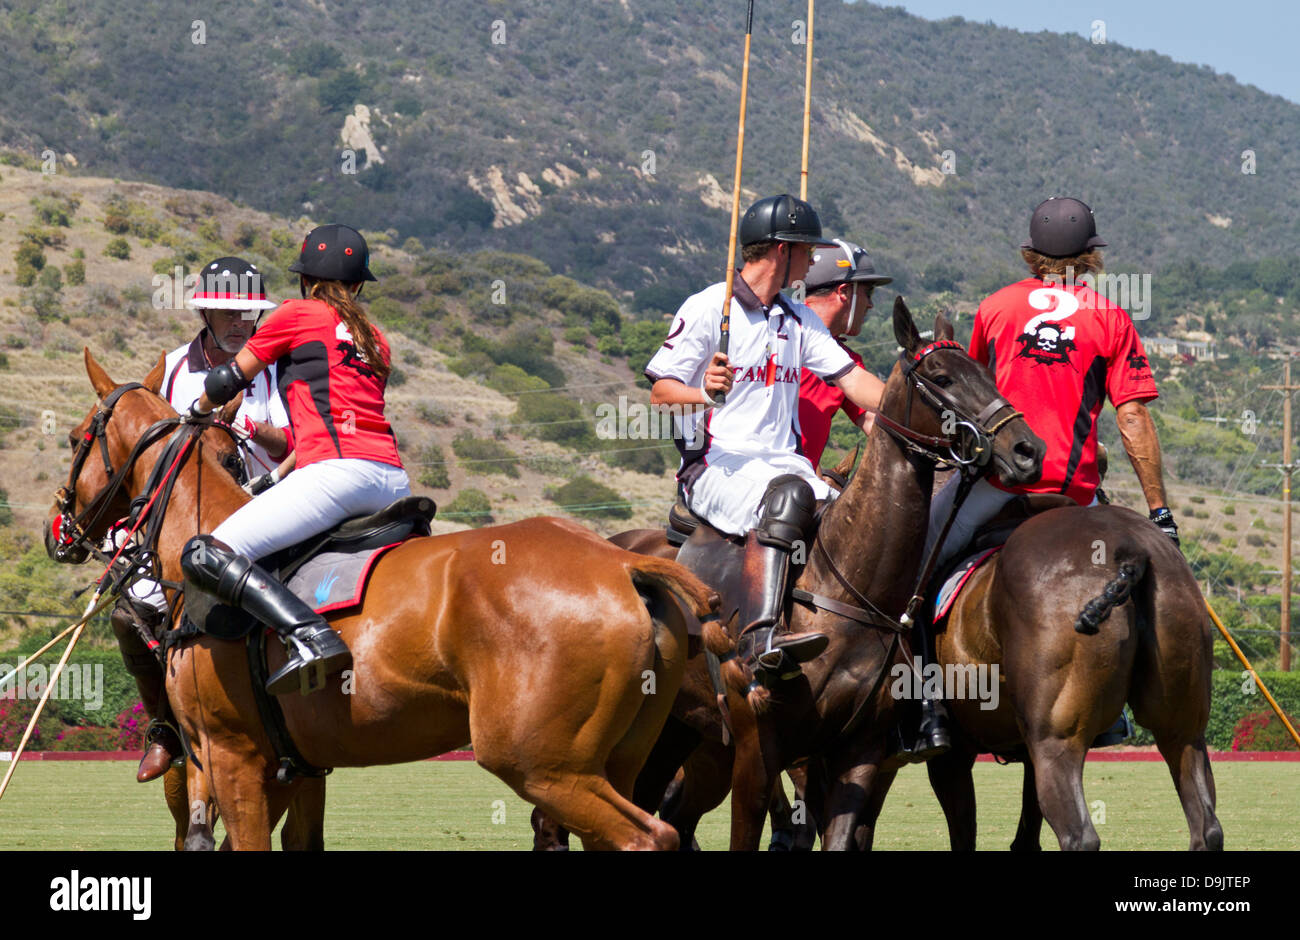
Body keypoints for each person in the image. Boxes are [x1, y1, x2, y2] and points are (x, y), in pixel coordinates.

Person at [921, 196, 1179, 747]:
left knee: (913, 564)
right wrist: (1159, 511)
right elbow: (1132, 418)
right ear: (1090, 256)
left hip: (996, 486)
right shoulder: (1110, 317)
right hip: (1073, 491)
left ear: (1031, 253)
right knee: (1130, 585)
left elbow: (974, 400)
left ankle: (924, 709)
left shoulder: (994, 309)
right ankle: (1112, 713)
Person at [645, 194, 886, 682]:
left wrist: (916, 406)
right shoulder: (711, 307)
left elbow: (854, 382)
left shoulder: (797, 318)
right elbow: (660, 394)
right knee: (789, 496)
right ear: (783, 250)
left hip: (782, 464)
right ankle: (760, 635)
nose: (812, 259)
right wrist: (703, 391)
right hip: (715, 466)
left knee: (854, 514)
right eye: (806, 250)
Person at [180, 224, 411, 696]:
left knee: (205, 553)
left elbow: (229, 380)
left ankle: (310, 637)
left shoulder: (297, 313)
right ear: (359, 285)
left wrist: (196, 411)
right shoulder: (376, 338)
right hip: (393, 480)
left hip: (337, 475)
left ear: (306, 280)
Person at [113, 256, 291, 782]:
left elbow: (299, 443)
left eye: (251, 313)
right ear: (206, 311)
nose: (243, 323)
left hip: (270, 507)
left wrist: (251, 425)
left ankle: (306, 724)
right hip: (183, 523)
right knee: (129, 613)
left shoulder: (276, 365)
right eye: (232, 313)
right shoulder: (170, 369)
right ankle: (164, 728)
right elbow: (143, 453)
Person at [797, 240, 893, 475]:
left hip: (794, 489)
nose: (870, 305)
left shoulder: (847, 361)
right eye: (867, 292)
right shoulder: (778, 333)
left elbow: (876, 421)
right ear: (843, 292)